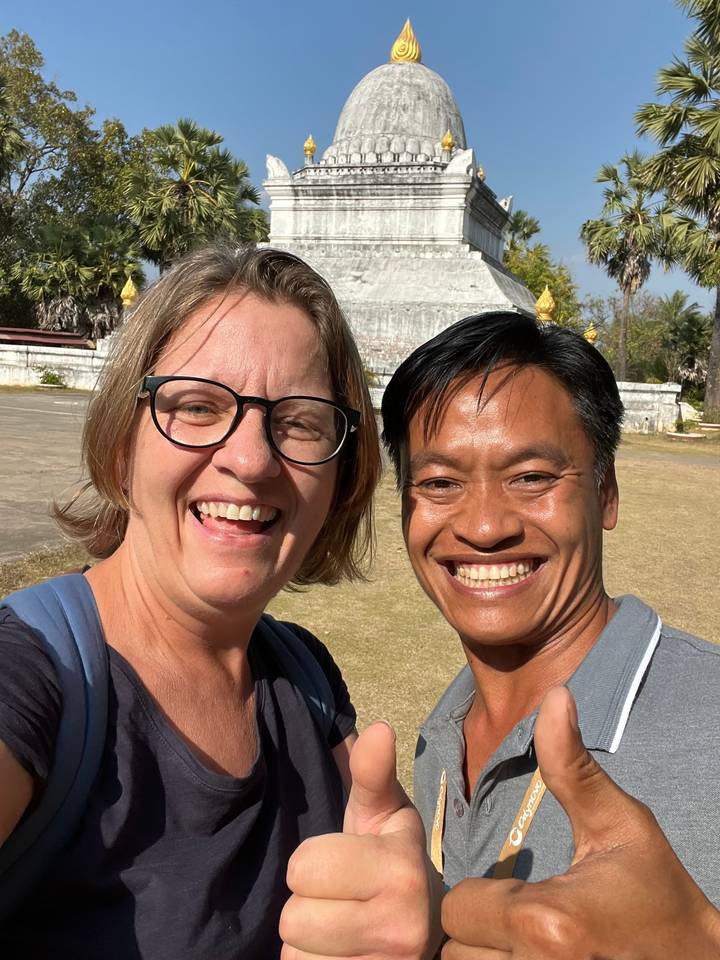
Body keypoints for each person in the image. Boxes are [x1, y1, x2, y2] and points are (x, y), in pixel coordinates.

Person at [0, 244, 441, 959]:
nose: (253, 459)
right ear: (121, 447)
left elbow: (376, 876)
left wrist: (414, 910)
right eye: (198, 406)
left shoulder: (305, 678)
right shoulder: (34, 678)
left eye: (301, 422)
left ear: (338, 478)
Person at [381, 311, 720, 958]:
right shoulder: (440, 740)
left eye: (532, 477)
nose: (483, 527)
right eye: (439, 484)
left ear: (608, 492)